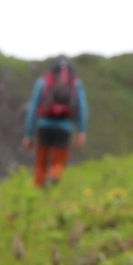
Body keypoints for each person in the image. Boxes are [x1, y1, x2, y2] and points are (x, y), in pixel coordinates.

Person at [25, 58, 87, 187]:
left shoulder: (43, 81)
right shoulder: (76, 84)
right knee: (59, 162)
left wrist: (29, 134)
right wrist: (82, 131)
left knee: (41, 162)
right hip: (64, 127)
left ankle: (39, 190)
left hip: (44, 125)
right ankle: (54, 175)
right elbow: (82, 108)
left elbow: (33, 108)